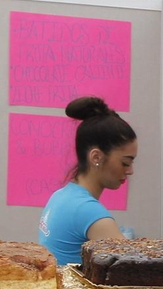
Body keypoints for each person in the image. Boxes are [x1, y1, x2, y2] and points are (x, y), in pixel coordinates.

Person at [36, 97, 137, 264]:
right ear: (96, 157)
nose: (130, 171)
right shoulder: (89, 212)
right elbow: (135, 268)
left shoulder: (61, 196)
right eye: (125, 162)